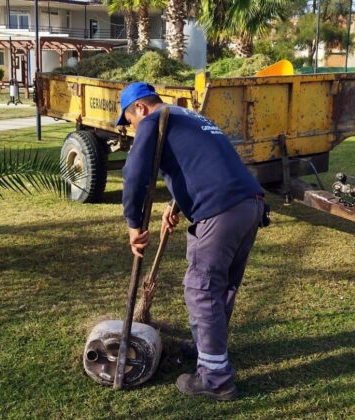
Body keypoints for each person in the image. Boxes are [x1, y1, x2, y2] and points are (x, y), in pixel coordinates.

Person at [118, 82, 265, 401]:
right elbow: (200, 164)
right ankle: (208, 349)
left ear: (140, 108)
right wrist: (176, 204)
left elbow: (134, 175)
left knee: (202, 288)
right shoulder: (189, 116)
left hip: (221, 211)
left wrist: (133, 224)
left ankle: (215, 379)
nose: (131, 128)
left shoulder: (153, 121)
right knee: (221, 286)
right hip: (249, 204)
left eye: (129, 121)